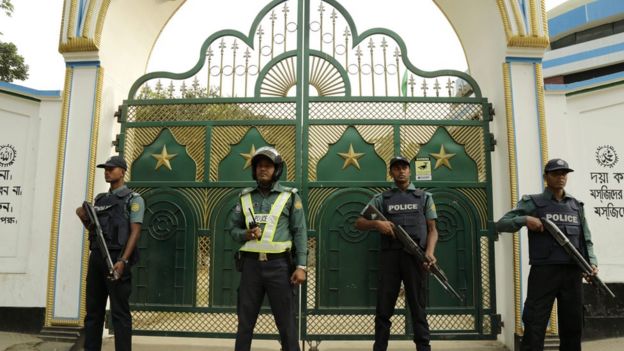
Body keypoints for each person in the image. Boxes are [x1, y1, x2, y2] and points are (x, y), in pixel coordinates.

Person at [496, 158, 598, 351]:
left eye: (564, 173)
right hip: (544, 272)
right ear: (546, 177)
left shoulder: (576, 205)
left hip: (572, 272)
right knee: (535, 322)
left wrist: (591, 263)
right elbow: (502, 223)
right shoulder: (533, 202)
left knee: (573, 325)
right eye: (556, 173)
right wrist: (525, 219)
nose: (561, 177)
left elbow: (586, 240)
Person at [227, 146, 307, 351]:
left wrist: (301, 266)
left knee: (286, 324)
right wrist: (245, 234)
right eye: (259, 166)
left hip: (280, 267)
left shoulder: (290, 197)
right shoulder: (244, 197)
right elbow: (232, 228)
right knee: (245, 323)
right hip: (251, 267)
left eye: (268, 166)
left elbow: (299, 232)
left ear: (276, 169)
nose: (263, 170)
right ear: (254, 170)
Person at [354, 156, 438, 351]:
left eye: (404, 168)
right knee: (384, 307)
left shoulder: (424, 197)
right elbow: (358, 222)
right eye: (396, 168)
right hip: (390, 258)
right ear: (391, 173)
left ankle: (423, 347)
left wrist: (430, 252)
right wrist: (377, 223)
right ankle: (380, 347)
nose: (401, 171)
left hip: (415, 257)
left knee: (417, 307)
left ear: (410, 171)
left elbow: (433, 230)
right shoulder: (382, 199)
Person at [76, 155, 144, 351]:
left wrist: (123, 260)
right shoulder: (99, 199)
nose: (107, 171)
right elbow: (94, 230)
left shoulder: (134, 198)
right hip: (97, 256)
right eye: (105, 168)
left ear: (122, 172)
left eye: (112, 168)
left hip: (118, 258)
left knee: (120, 314)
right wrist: (84, 217)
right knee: (93, 313)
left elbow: (135, 231)